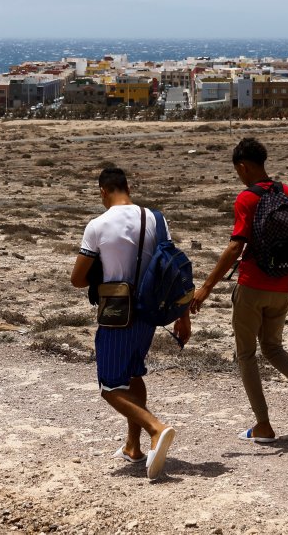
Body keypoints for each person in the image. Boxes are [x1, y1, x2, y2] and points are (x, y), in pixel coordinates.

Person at [190, 137, 288, 443]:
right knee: (273, 347)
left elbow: (234, 247)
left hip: (253, 285)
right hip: (284, 285)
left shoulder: (246, 199)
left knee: (246, 354)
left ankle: (264, 425)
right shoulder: (286, 192)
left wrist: (205, 287)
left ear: (243, 167)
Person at [70, 167, 191, 479]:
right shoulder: (156, 219)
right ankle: (132, 447)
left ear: (103, 191)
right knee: (134, 374)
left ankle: (156, 428)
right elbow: (173, 268)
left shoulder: (97, 225)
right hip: (150, 312)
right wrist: (183, 315)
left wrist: (101, 270)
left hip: (117, 315)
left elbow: (77, 279)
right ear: (128, 187)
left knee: (110, 388)